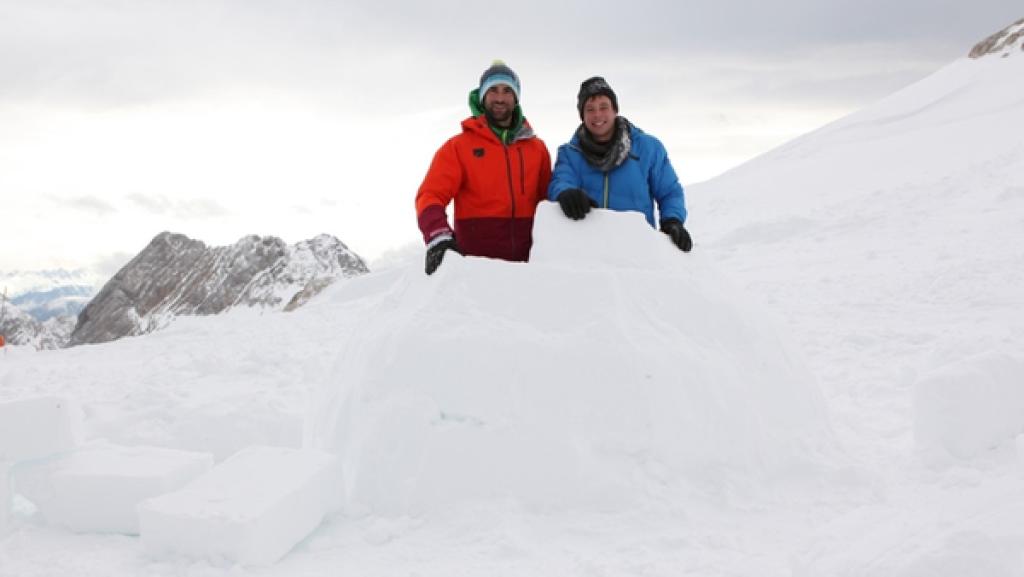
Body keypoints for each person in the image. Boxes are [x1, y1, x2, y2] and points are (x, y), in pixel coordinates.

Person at [415, 60, 553, 275]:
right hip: (475, 272)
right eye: (493, 90)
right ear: (482, 97)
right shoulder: (457, 147)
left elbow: (548, 201)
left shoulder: (537, 148)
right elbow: (430, 195)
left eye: (507, 90)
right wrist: (438, 236)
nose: (500, 98)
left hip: (529, 271)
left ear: (516, 98)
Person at [548, 76, 692, 252]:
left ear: (615, 110)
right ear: (582, 116)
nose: (597, 115)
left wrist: (672, 221)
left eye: (604, 107)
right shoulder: (570, 153)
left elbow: (669, 191)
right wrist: (565, 192)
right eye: (590, 109)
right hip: (587, 251)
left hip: (638, 250)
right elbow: (561, 181)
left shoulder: (648, 148)